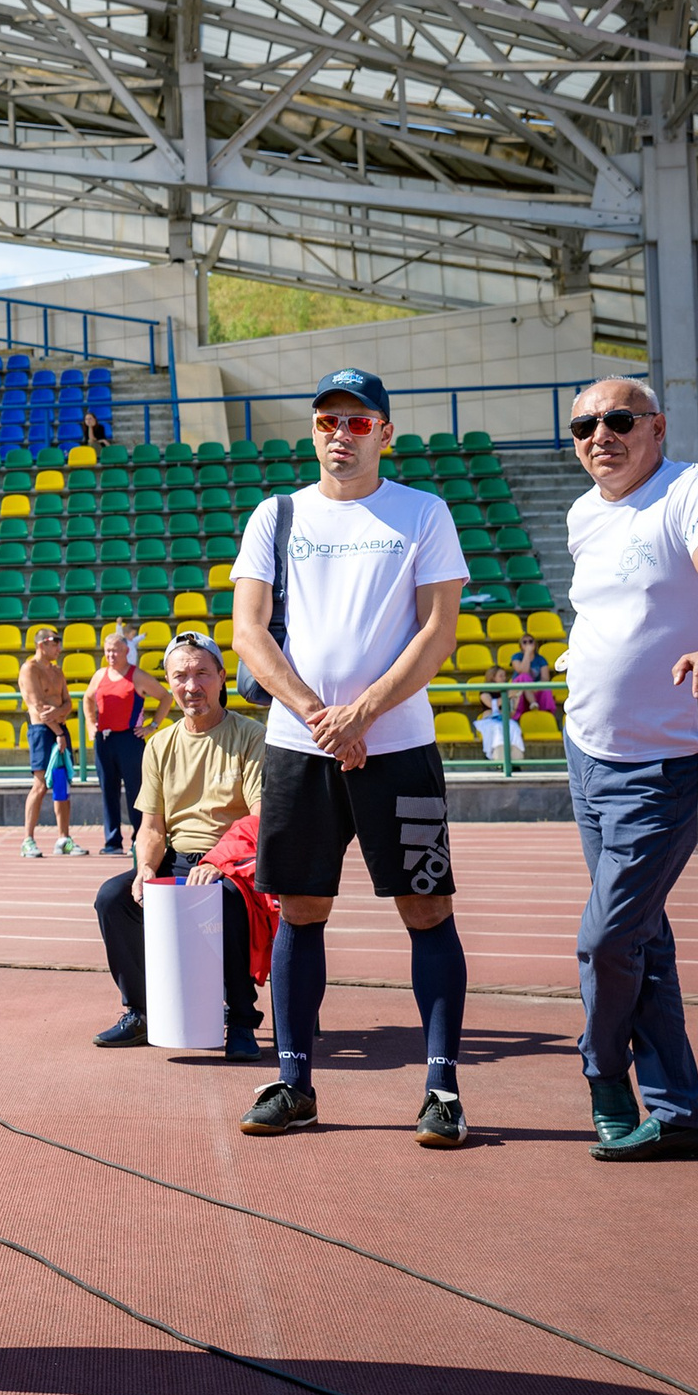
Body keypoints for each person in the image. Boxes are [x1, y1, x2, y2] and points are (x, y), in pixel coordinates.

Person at [230, 368, 470, 1148]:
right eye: (328, 420)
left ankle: (442, 1088)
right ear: (314, 431)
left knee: (426, 909)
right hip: (299, 748)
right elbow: (248, 631)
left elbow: (438, 631)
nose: (342, 434)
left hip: (398, 746)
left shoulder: (423, 512)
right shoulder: (277, 514)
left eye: (359, 421)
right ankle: (294, 1081)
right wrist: (320, 717)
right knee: (300, 908)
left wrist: (362, 713)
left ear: (385, 433)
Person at [559, 376, 698, 1162]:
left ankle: (605, 1075)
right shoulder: (583, 514)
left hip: (666, 760)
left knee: (608, 937)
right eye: (583, 427)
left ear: (657, 425)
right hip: (587, 750)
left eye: (616, 419)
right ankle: (677, 1112)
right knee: (642, 936)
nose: (599, 436)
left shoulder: (693, 488)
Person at [90, 634, 267, 1059]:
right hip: (178, 860)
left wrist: (218, 862)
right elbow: (151, 827)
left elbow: (261, 817)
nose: (192, 686)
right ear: (169, 684)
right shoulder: (159, 744)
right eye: (180, 676)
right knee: (113, 898)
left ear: (222, 677)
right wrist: (146, 869)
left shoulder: (251, 736)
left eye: (202, 673)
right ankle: (141, 1011)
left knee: (224, 898)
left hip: (235, 863)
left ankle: (242, 1020)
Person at [83, 630, 162, 855]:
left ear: (126, 651)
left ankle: (140, 838)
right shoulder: (100, 675)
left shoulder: (138, 676)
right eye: (108, 651)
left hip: (130, 738)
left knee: (136, 790)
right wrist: (90, 723)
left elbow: (165, 697)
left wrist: (153, 725)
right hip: (104, 739)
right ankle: (112, 842)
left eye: (116, 651)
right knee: (108, 789)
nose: (111, 655)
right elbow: (87, 698)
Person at [17, 626, 83, 857]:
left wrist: (58, 720)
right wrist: (58, 732)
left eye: (59, 643)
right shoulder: (30, 669)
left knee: (62, 784)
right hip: (42, 731)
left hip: (59, 730)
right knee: (40, 785)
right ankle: (28, 839)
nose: (58, 648)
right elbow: (37, 706)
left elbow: (68, 703)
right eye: (54, 643)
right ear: (41, 644)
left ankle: (63, 838)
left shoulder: (57, 671)